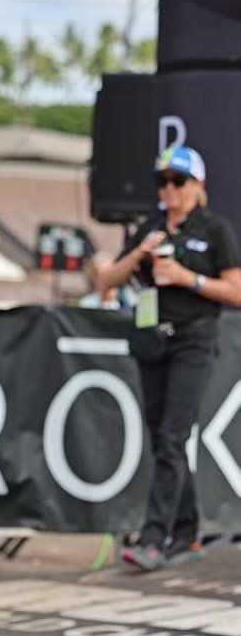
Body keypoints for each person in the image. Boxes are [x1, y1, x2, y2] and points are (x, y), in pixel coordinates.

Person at [99, 145, 241, 571]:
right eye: (162, 181)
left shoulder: (214, 229)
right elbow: (107, 281)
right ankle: (186, 529)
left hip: (193, 340)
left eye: (177, 181)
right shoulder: (150, 227)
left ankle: (154, 537)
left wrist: (187, 278)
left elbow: (236, 291)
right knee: (162, 437)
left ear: (197, 184)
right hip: (151, 338)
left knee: (173, 436)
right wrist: (138, 254)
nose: (169, 189)